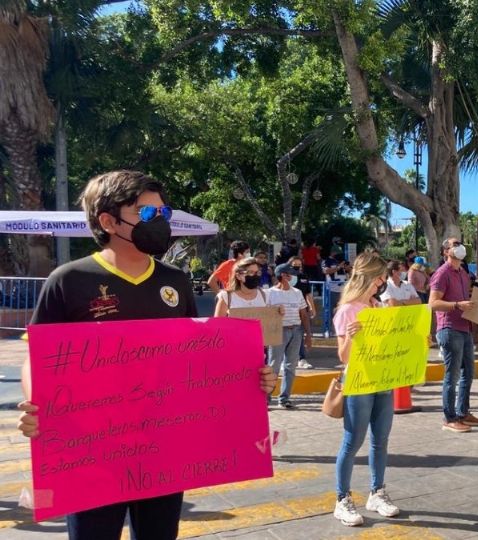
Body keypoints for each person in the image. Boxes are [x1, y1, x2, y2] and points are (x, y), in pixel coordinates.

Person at [16, 170, 277, 540]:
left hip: (163, 448)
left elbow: (197, 357)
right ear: (108, 221)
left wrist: (252, 377)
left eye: (163, 213)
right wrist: (36, 401)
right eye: (147, 214)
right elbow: (37, 354)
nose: (160, 223)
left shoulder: (175, 281)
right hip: (92, 450)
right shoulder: (68, 280)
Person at [330, 253, 402, 527]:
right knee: (352, 441)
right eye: (380, 277)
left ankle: (377, 491)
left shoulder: (378, 307)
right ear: (369, 277)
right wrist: (351, 335)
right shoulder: (347, 310)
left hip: (383, 379)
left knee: (380, 440)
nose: (382, 282)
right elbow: (343, 357)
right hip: (359, 382)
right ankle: (342, 499)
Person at [428, 237, 478, 433]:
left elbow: (465, 299)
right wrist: (456, 305)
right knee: (451, 376)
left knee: (468, 373)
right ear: (446, 252)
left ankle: (463, 413)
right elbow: (433, 303)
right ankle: (449, 417)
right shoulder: (441, 274)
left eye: (460, 243)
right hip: (449, 328)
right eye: (454, 244)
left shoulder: (463, 273)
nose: (459, 246)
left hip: (465, 327)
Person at [268, 263, 312, 409]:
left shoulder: (297, 292)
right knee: (274, 365)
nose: (293, 276)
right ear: (283, 276)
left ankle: (285, 397)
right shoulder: (269, 293)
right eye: (290, 274)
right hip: (278, 331)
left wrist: (308, 334)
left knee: (290, 366)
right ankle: (266, 397)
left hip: (296, 331)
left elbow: (303, 314)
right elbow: (264, 315)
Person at [288, 256, 317, 369]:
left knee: (300, 334)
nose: (297, 267)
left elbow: (308, 294)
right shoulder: (286, 277)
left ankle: (301, 358)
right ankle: (286, 359)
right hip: (288, 310)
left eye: (299, 265)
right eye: (295, 265)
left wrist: (312, 307)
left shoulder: (304, 277)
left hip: (302, 310)